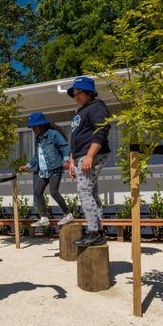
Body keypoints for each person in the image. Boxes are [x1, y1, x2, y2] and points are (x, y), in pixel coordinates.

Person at [66, 77, 111, 247]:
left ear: (90, 93)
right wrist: (72, 160)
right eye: (74, 94)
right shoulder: (81, 111)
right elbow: (75, 138)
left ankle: (92, 232)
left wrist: (90, 156)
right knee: (91, 192)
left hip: (91, 155)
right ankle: (98, 230)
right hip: (80, 157)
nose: (76, 97)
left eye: (80, 93)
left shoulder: (97, 107)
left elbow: (101, 132)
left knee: (84, 191)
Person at [18, 112, 74, 227]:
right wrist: (28, 166)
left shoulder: (53, 134)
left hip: (55, 168)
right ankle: (43, 218)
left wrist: (66, 159)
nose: (32, 129)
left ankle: (67, 214)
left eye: (34, 127)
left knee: (53, 192)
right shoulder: (38, 138)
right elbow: (37, 155)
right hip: (42, 170)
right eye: (31, 127)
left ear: (41, 125)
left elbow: (64, 146)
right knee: (37, 192)